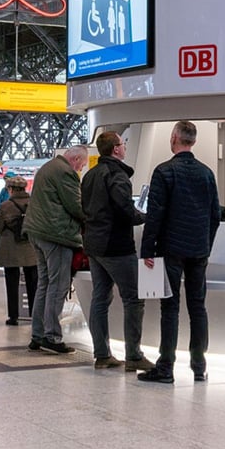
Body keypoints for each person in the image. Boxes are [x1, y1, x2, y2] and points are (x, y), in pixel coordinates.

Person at [138, 121, 220, 384]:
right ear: (193, 141)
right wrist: (205, 244)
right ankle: (199, 366)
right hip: (198, 250)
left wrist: (147, 249)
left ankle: (166, 367)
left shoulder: (164, 171)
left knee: (169, 308)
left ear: (174, 138)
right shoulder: (207, 173)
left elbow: (155, 215)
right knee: (198, 307)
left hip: (171, 249)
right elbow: (215, 215)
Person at [80, 130, 152, 371]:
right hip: (116, 246)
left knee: (100, 298)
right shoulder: (117, 175)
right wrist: (145, 218)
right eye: (122, 144)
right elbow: (124, 209)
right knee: (133, 298)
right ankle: (133, 355)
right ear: (116, 149)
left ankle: (102, 354)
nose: (125, 147)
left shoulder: (90, 175)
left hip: (94, 244)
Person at [24, 145, 89, 354]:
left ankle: (38, 334)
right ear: (76, 159)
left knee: (44, 284)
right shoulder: (65, 172)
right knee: (58, 286)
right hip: (56, 235)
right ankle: (52, 335)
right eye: (81, 166)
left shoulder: (48, 167)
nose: (80, 170)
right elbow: (75, 206)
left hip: (37, 233)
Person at [0, 175, 37, 326]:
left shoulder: (6, 206)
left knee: (12, 283)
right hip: (30, 249)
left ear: (10, 189)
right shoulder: (34, 203)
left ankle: (13, 316)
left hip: (10, 250)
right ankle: (34, 314)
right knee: (33, 283)